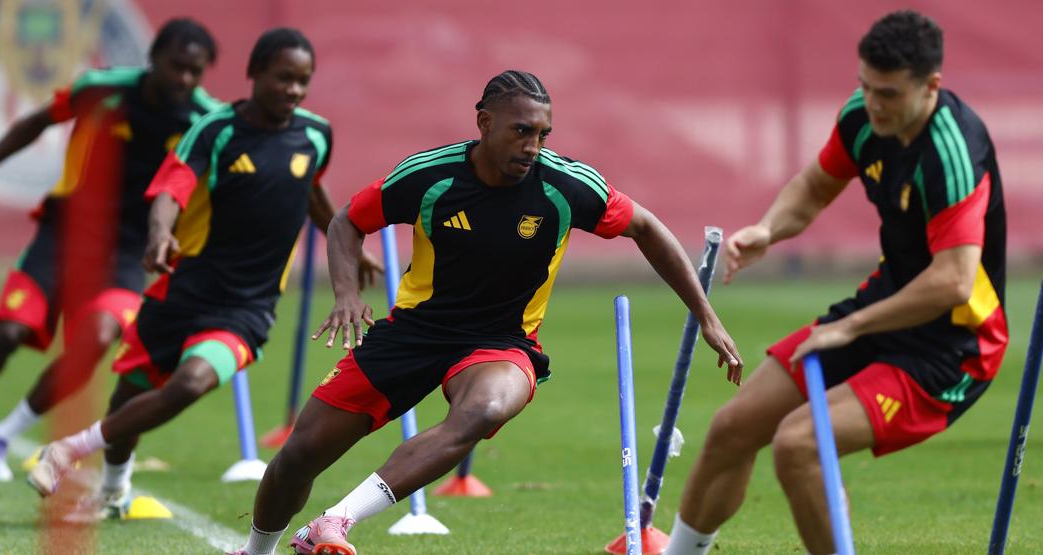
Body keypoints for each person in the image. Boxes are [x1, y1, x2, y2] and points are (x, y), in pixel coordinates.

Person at [230, 69, 745, 555]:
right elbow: (347, 222)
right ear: (485, 123)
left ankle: (337, 520)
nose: (533, 146)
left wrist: (706, 315)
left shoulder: (566, 186)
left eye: (543, 133)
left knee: (484, 411)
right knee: (302, 452)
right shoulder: (429, 176)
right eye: (522, 131)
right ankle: (257, 549)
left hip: (503, 343)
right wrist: (346, 293)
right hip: (415, 331)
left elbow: (647, 228)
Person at [666, 10, 1008, 555]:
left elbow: (953, 282)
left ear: (931, 87)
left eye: (889, 94)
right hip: (886, 306)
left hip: (954, 345)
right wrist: (768, 230)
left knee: (798, 445)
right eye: (865, 87)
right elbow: (815, 185)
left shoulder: (951, 151)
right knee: (734, 427)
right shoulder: (863, 117)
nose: (873, 104)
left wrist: (849, 327)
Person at [24, 27, 380, 518]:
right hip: (183, 292)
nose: (294, 91)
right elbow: (172, 189)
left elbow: (310, 192)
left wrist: (343, 241)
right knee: (129, 397)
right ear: (254, 73)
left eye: (303, 81)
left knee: (190, 384)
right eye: (283, 78)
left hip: (247, 309)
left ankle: (66, 450)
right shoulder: (215, 130)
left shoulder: (315, 134)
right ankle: (112, 489)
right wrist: (159, 234)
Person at [0, 18, 221, 482]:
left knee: (98, 337)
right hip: (64, 233)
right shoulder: (100, 89)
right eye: (177, 67)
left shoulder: (203, 122)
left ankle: (3, 435)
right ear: (154, 58)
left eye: (195, 72)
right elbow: (33, 124)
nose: (185, 80)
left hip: (129, 252)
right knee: (10, 333)